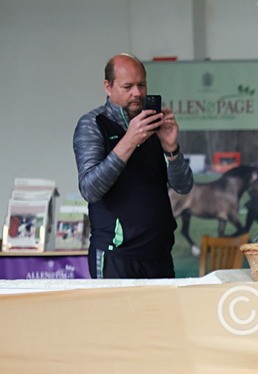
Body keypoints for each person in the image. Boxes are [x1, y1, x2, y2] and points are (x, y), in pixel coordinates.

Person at [73, 53, 193, 279]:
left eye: (141, 85)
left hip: (159, 254)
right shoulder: (93, 124)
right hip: (116, 255)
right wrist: (129, 140)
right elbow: (90, 189)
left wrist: (171, 148)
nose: (137, 93)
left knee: (162, 316)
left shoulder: (154, 123)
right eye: (128, 86)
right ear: (108, 86)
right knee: (117, 316)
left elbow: (184, 186)